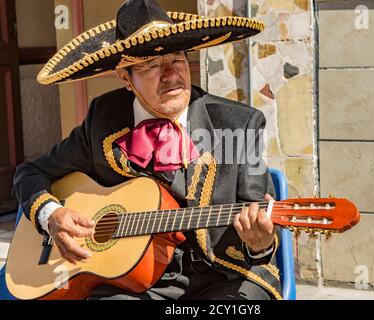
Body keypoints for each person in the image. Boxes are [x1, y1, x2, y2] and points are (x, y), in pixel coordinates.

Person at [12, 0, 282, 300]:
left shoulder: (240, 124)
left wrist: (260, 242)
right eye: (151, 65)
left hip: (225, 276)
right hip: (134, 283)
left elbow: (259, 225)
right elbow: (30, 172)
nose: (170, 74)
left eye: (177, 59)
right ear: (125, 77)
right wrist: (52, 215)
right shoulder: (104, 118)